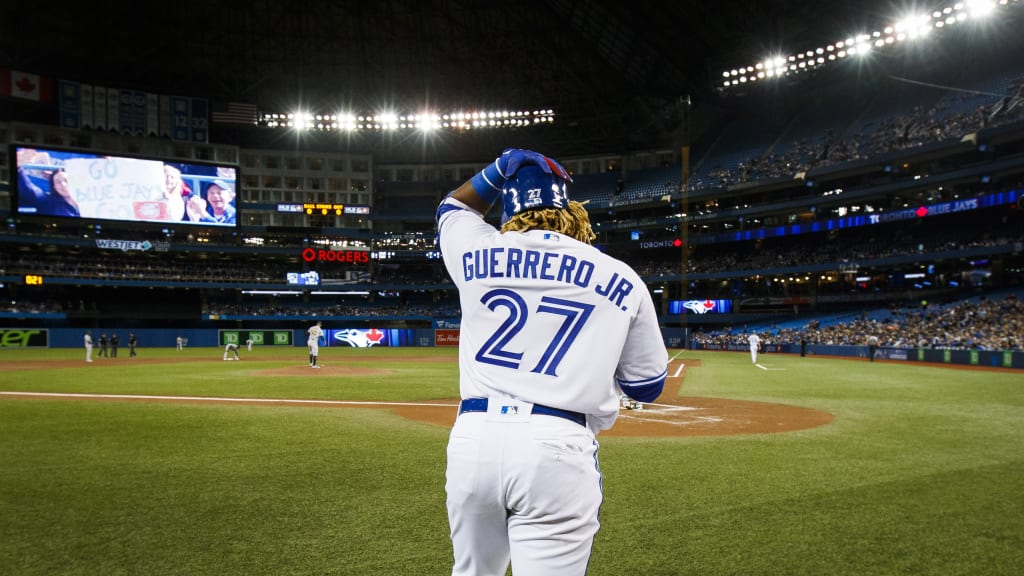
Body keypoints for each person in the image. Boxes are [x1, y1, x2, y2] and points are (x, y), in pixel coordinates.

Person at [435, 148, 668, 575]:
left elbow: (453, 207)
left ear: (510, 210)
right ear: (570, 210)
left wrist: (499, 168)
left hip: (474, 440)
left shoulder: (476, 249)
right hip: (556, 444)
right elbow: (646, 386)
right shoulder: (620, 275)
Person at [16, 150, 81, 218]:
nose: (63, 184)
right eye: (58, 182)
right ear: (54, 186)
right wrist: (18, 168)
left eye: (66, 180)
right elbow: (28, 190)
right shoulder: (48, 203)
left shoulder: (90, 198)